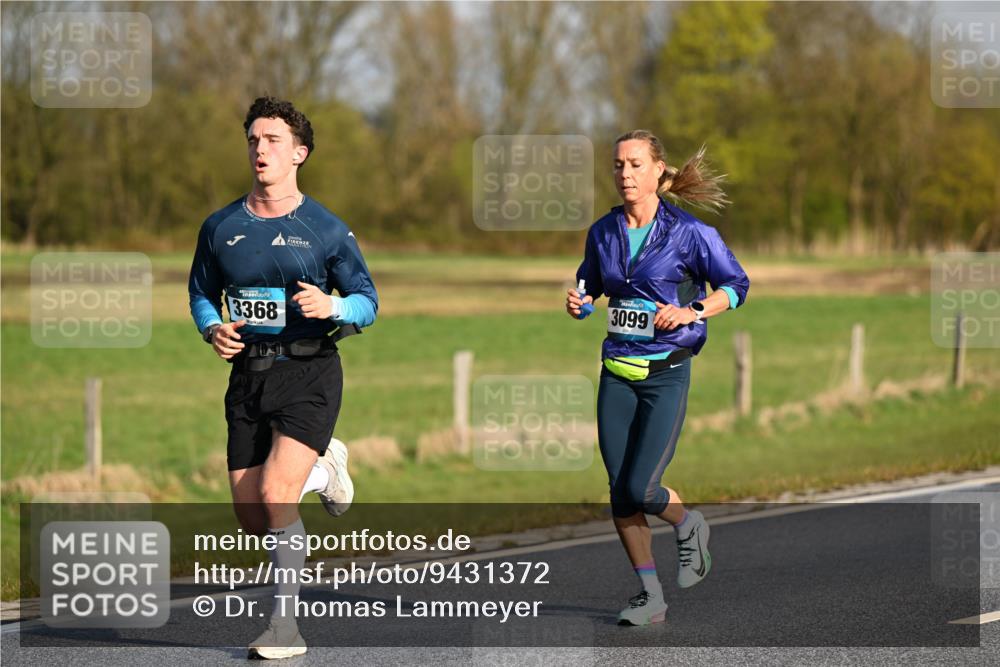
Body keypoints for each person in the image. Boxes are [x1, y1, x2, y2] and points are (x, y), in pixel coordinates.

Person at [188, 96, 378, 658]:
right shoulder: (221, 226)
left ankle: (285, 627)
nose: (260, 149)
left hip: (309, 370)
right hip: (248, 376)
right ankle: (325, 468)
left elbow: (367, 301)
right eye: (253, 139)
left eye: (272, 140)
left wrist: (333, 307)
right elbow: (201, 292)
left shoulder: (325, 229)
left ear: (299, 153)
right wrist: (211, 328)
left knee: (275, 495)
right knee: (252, 517)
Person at [566, 130, 749, 626]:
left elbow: (736, 286)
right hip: (616, 374)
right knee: (618, 491)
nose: (625, 174)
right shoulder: (603, 231)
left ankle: (689, 525)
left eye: (635, 164)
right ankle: (651, 594)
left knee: (643, 488)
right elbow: (591, 289)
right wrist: (579, 304)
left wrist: (691, 310)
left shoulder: (689, 233)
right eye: (618, 165)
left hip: (666, 372)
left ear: (658, 171)